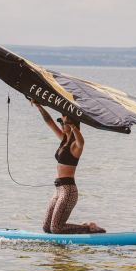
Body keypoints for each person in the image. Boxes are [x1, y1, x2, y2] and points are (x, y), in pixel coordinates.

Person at [31, 100, 106, 234]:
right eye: (61, 122)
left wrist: (72, 126)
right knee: (47, 227)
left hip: (69, 191)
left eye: (63, 122)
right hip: (58, 190)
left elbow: (82, 141)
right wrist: (39, 106)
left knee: (56, 228)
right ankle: (80, 230)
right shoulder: (63, 140)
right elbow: (49, 122)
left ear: (71, 124)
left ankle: (89, 227)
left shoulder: (75, 146)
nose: (61, 124)